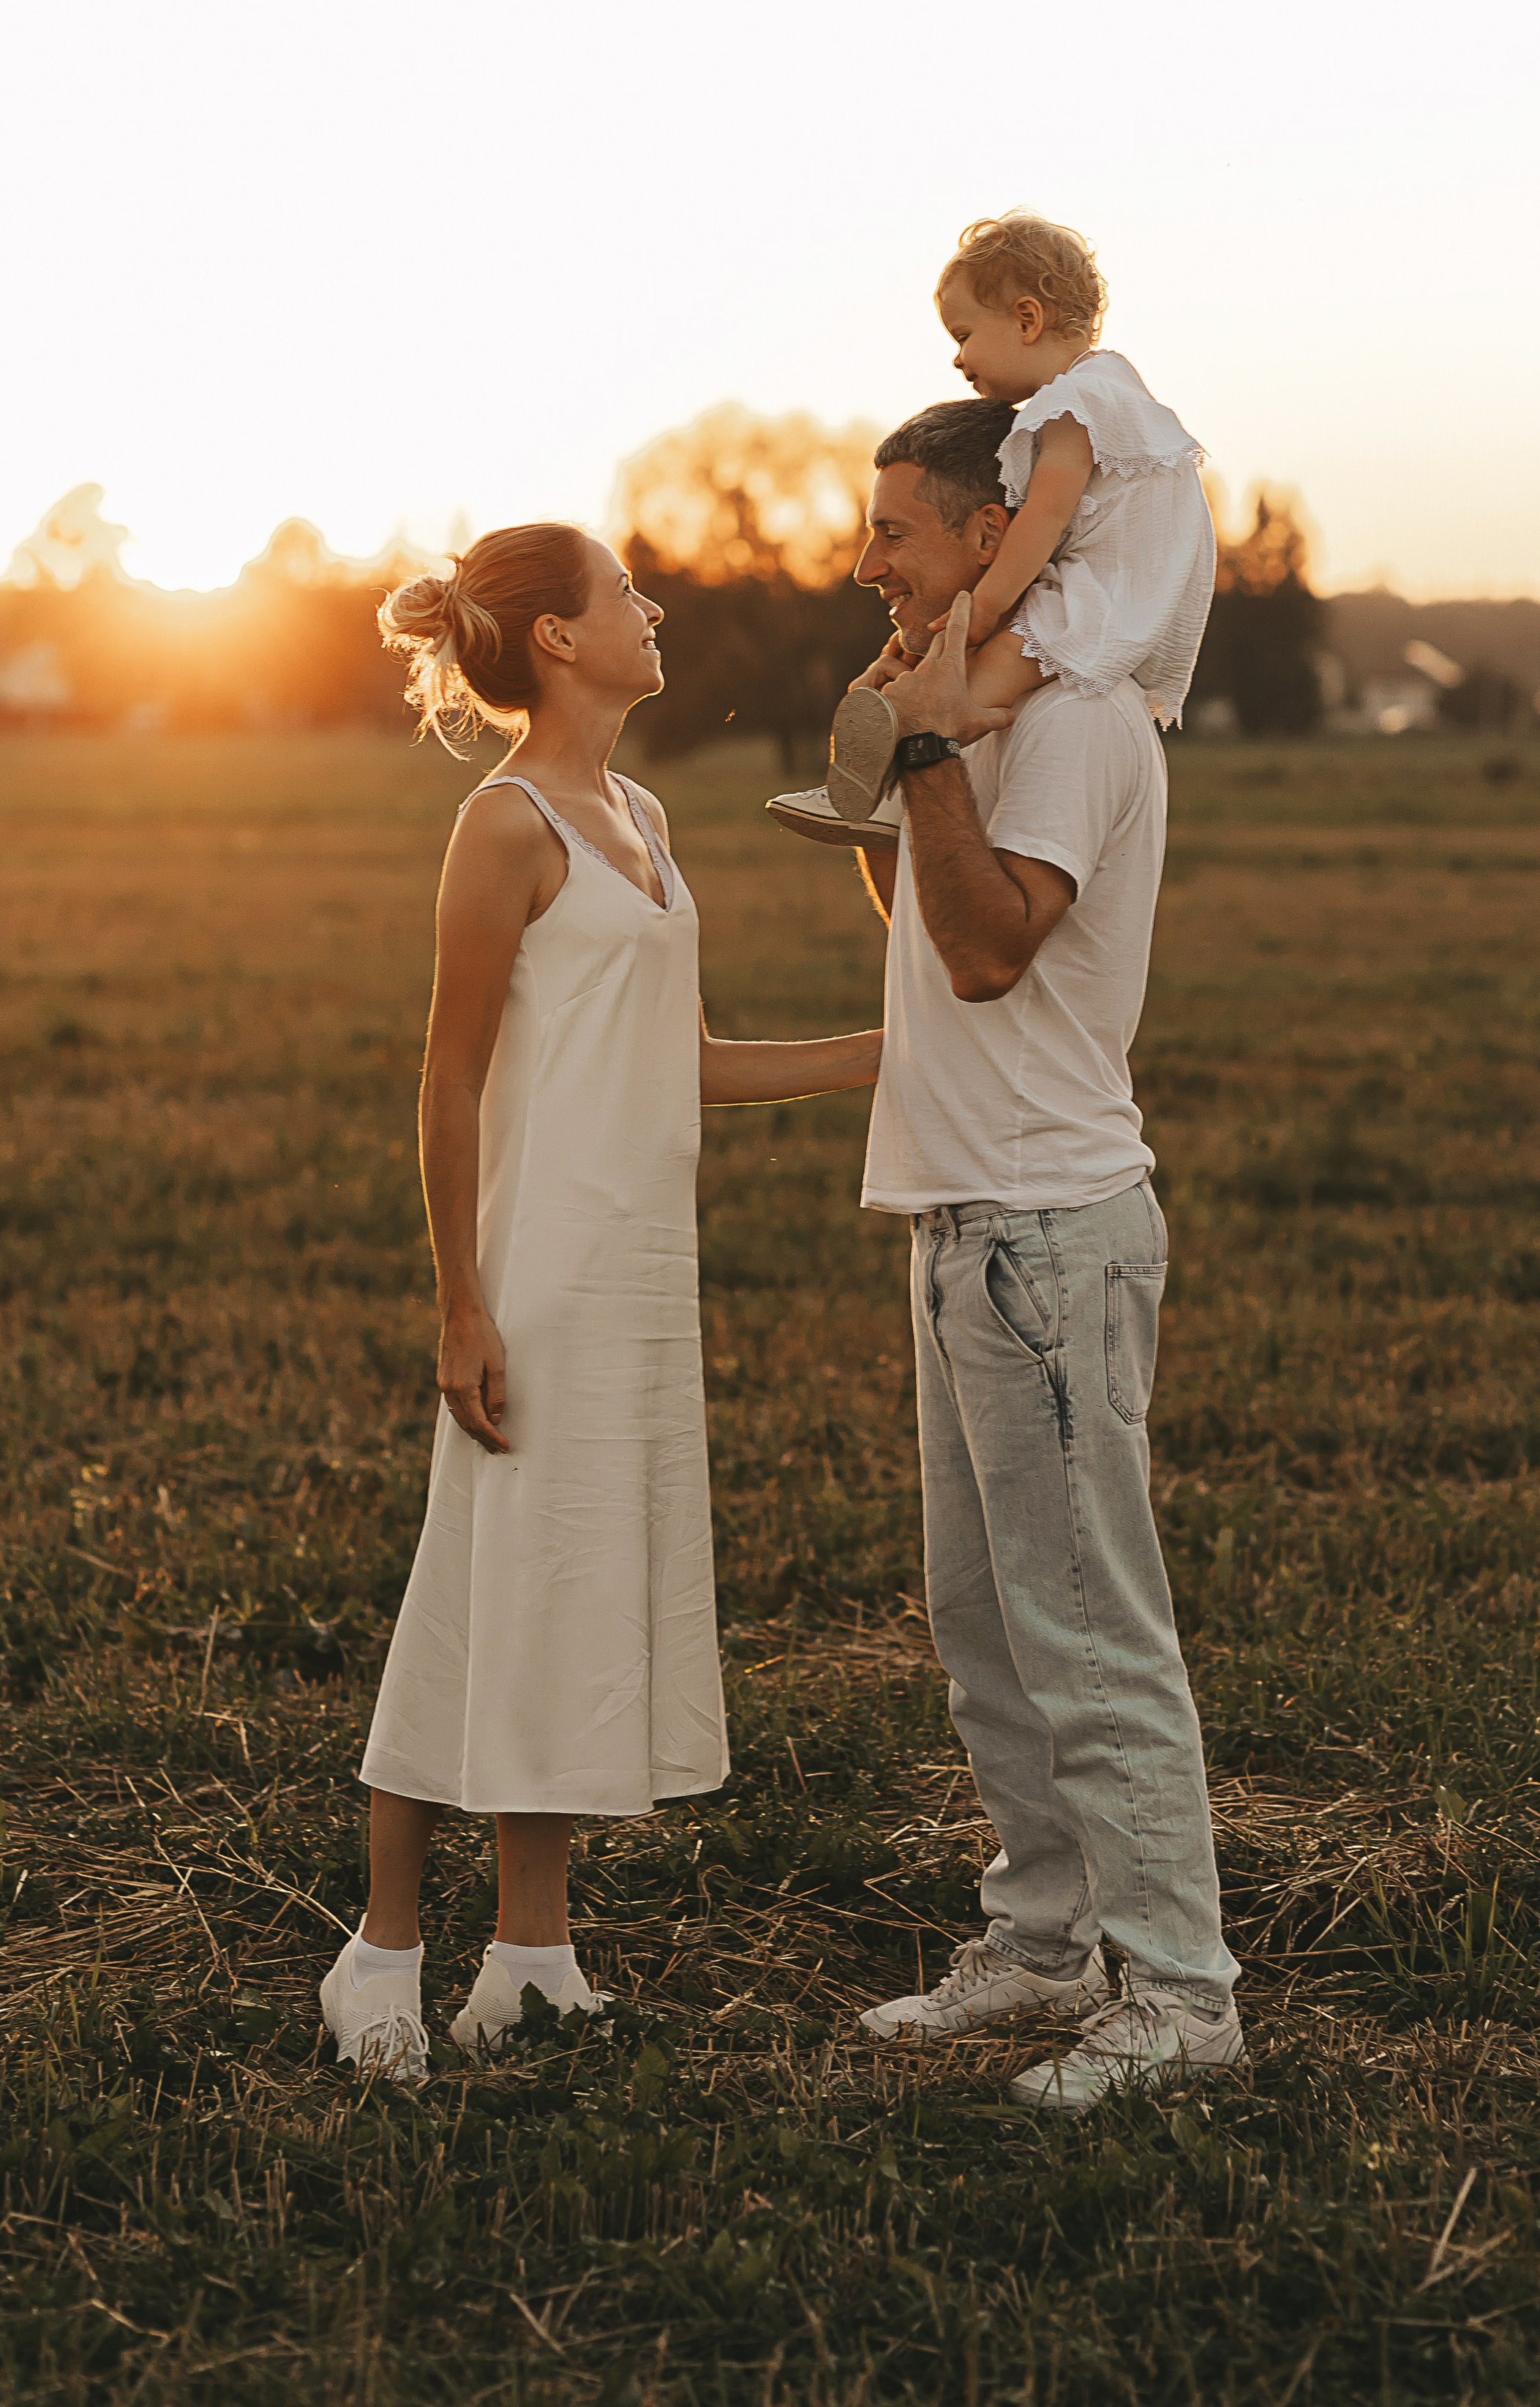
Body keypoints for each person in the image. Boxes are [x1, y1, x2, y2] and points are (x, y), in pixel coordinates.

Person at [319, 522, 881, 2081]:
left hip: (641, 1270)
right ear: (558, 639)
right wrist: (460, 1305)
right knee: (481, 1595)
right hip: (538, 1272)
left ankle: (531, 1962)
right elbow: (445, 1078)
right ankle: (377, 1953)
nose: (655, 611)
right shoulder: (501, 825)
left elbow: (683, 1062)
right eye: (626, 595)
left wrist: (877, 1050)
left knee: (565, 1599)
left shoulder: (635, 810)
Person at [821, 400, 1242, 2112]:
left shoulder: (1071, 721)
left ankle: (1182, 1994)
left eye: (898, 533)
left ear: (998, 540)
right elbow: (926, 926)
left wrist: (924, 759)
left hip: (1045, 1235)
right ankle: (1044, 1943)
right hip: (957, 1220)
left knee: (1085, 1633)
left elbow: (990, 952)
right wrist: (900, 750)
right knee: (986, 1624)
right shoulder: (986, 712)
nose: (867, 561)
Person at [810, 211, 1216, 840]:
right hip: (1128, 586)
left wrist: (988, 605)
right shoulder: (1119, 389)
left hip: (1099, 590)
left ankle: (903, 759)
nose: (957, 359)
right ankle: (885, 782)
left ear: (1027, 320)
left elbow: (1047, 518)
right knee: (966, 671)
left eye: (964, 334)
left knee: (976, 672)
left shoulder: (1070, 407)